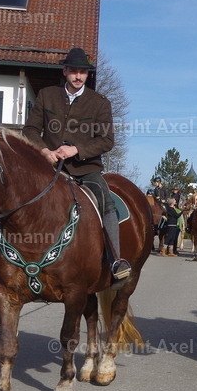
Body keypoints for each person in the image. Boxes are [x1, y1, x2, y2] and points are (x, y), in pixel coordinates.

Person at [22, 47, 130, 281]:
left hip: (85, 170)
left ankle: (115, 260)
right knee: (15, 196)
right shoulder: (47, 95)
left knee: (105, 201)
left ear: (88, 75)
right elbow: (30, 129)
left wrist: (77, 150)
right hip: (48, 168)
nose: (78, 76)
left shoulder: (100, 103)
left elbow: (106, 140)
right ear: (65, 71)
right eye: (74, 71)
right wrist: (44, 151)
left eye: (82, 72)